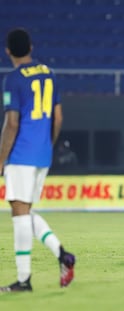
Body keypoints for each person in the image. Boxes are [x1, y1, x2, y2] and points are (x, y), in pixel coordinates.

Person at [0, 28, 75, 292]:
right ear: (30, 47)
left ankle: (24, 280)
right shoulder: (48, 73)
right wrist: (47, 145)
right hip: (42, 154)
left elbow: (11, 124)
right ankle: (62, 255)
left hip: (21, 154)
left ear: (8, 51)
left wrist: (1, 159)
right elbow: (58, 118)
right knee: (25, 212)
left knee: (19, 216)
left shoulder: (13, 79)